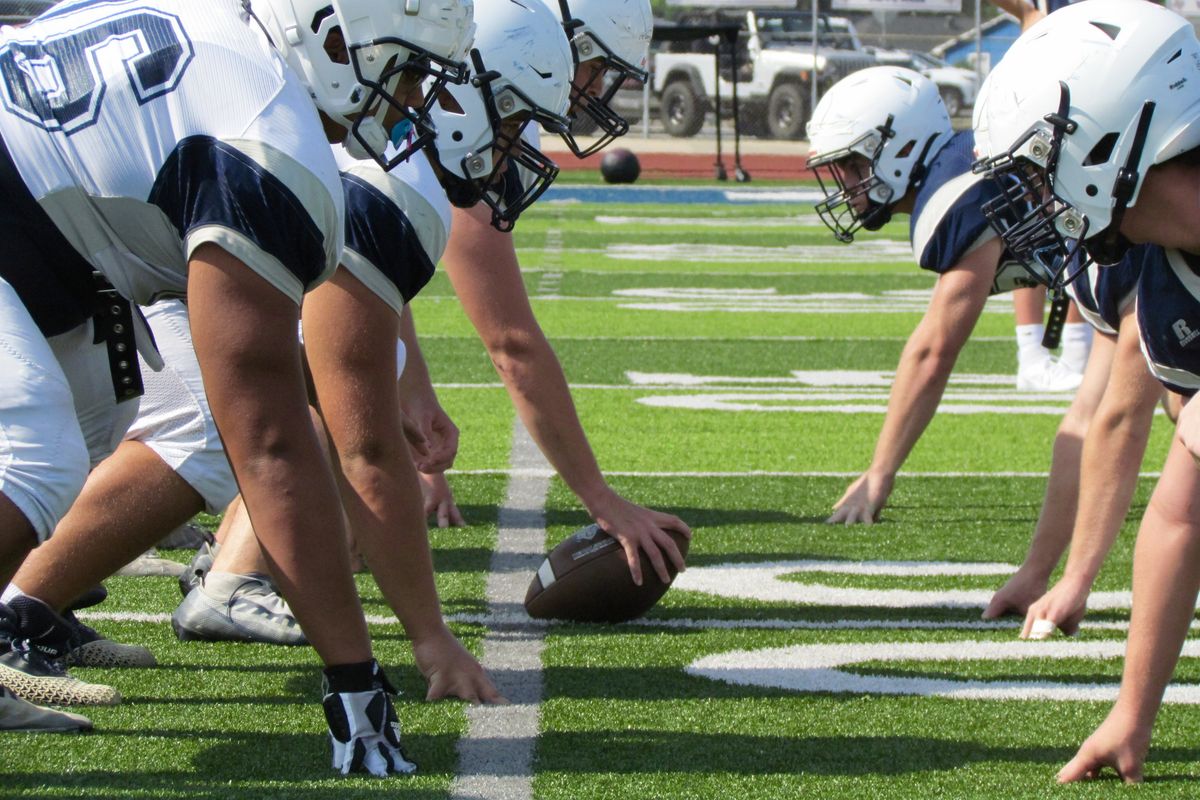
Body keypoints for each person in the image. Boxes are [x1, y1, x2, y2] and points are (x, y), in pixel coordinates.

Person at [0, 0, 476, 774]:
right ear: (329, 37)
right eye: (408, 69)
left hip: (49, 232)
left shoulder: (232, 44)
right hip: (31, 215)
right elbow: (270, 444)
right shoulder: (266, 133)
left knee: (96, 417)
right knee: (34, 451)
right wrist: (354, 681)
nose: (414, 102)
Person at [973, 0, 1200, 782]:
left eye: (1043, 167)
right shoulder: (1168, 280)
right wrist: (1132, 717)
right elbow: (1177, 512)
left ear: (1113, 141)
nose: (1037, 200)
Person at [807, 66, 1057, 526]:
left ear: (903, 147)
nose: (846, 185)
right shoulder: (962, 160)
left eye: (855, 165)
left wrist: (880, 472)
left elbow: (935, 348)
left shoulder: (956, 190)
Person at [982, 253, 1164, 634]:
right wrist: (1037, 571)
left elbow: (1121, 421)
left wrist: (1076, 581)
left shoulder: (1146, 245)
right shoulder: (1105, 252)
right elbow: (1087, 418)